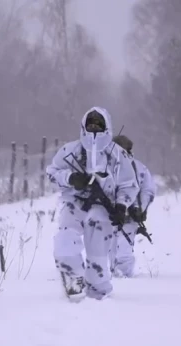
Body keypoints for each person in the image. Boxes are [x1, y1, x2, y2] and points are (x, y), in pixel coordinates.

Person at [46, 107, 139, 300]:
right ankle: (74, 286)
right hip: (74, 203)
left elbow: (129, 184)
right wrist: (70, 178)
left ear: (106, 126)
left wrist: (121, 206)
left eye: (98, 124)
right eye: (90, 124)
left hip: (103, 209)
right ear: (83, 125)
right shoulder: (70, 150)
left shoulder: (117, 154)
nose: (94, 128)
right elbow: (52, 172)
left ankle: (99, 298)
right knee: (64, 243)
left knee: (97, 258)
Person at [109, 135, 156, 278]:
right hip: (107, 215)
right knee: (105, 250)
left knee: (123, 249)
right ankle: (106, 276)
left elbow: (147, 190)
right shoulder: (105, 166)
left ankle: (124, 278)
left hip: (129, 217)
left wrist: (138, 208)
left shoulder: (139, 168)